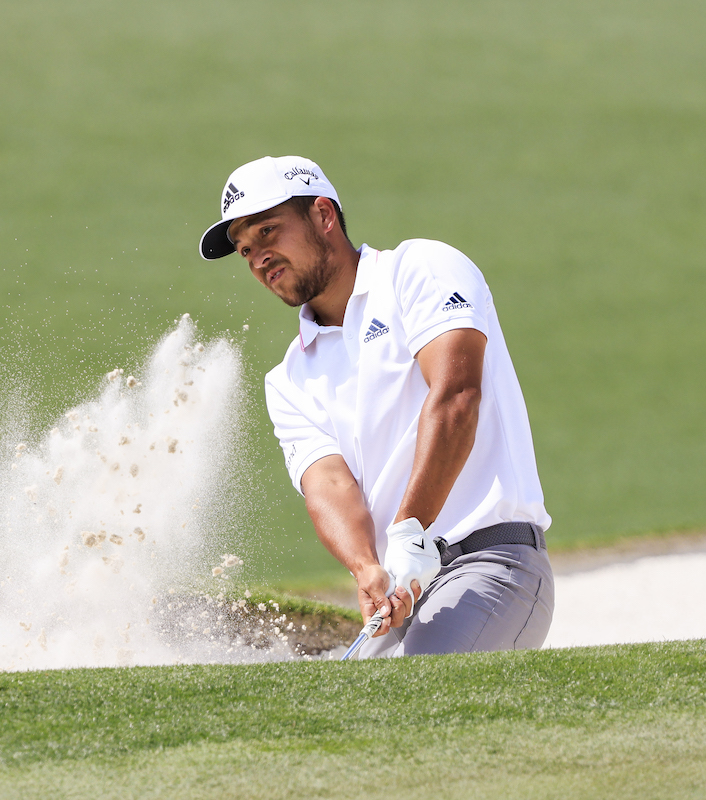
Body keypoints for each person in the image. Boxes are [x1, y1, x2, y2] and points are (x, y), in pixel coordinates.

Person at [199, 156, 554, 656]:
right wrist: (367, 566)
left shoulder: (419, 269)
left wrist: (410, 530)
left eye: (269, 231)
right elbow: (329, 483)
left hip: (491, 562)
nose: (258, 257)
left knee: (415, 700)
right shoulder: (288, 377)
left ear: (323, 215)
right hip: (404, 591)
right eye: (245, 249)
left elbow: (456, 395)